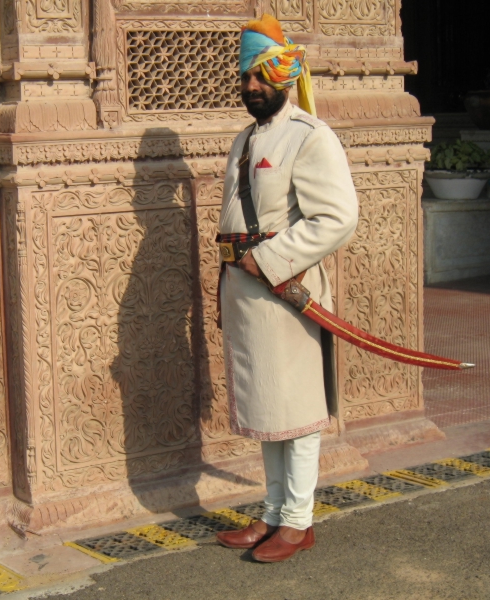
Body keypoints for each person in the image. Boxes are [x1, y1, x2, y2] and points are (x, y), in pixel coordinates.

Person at [214, 13, 359, 563]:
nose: (251, 86)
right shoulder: (245, 139)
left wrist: (269, 259)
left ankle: (299, 521)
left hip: (285, 290)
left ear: (286, 76)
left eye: (262, 76)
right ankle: (274, 513)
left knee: (296, 412)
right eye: (246, 76)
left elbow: (338, 217)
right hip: (245, 296)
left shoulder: (309, 136)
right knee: (269, 409)